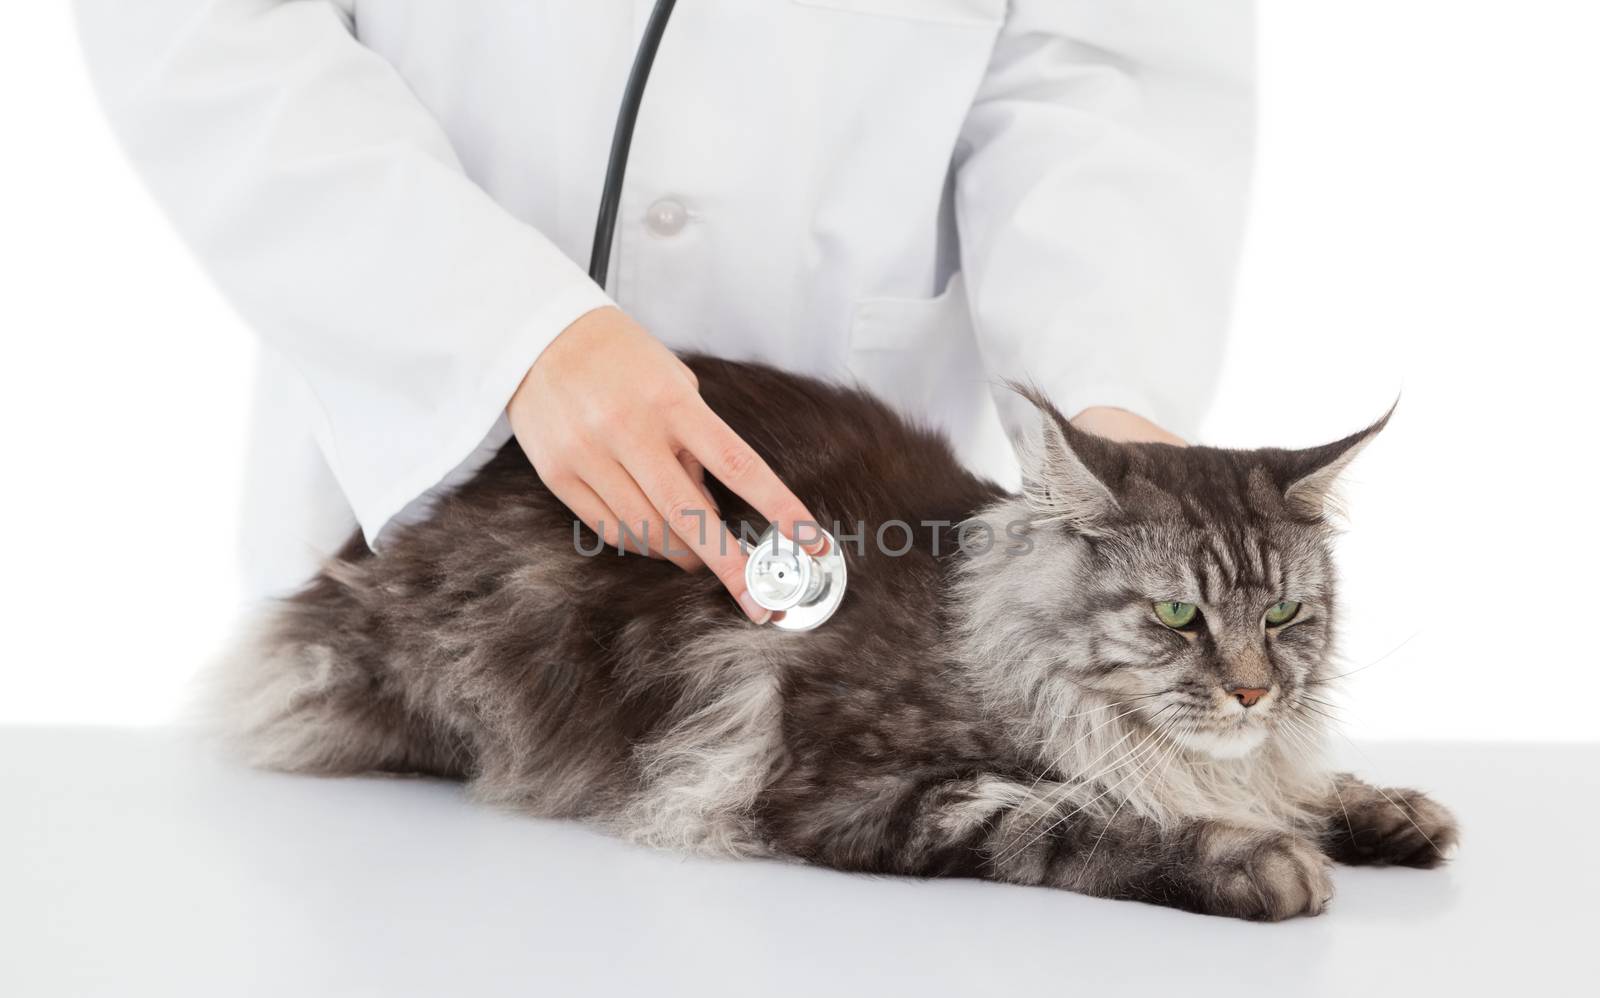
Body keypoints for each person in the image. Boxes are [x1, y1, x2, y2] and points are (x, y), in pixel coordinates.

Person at [75, 0, 1254, 621]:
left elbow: (1105, 70)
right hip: (402, 534)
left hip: (849, 555)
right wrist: (505, 333)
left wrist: (1119, 439)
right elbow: (207, 24)